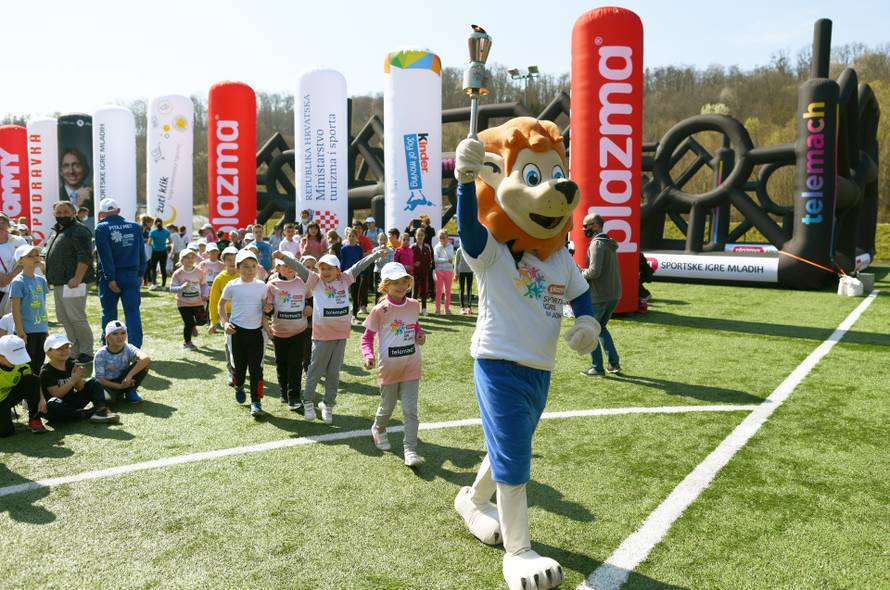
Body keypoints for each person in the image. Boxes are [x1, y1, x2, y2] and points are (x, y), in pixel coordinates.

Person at [273, 247, 381, 424]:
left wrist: (376, 254)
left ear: (338, 269)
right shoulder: (315, 281)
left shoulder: (345, 279)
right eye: (322, 268)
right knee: (315, 371)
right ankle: (308, 402)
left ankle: (328, 404)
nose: (325, 272)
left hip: (341, 335)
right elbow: (300, 268)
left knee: (333, 373)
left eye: (329, 268)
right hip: (322, 335)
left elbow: (360, 265)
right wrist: (283, 256)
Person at [361, 262, 426, 467]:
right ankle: (378, 428)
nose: (400, 286)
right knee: (387, 407)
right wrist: (367, 355)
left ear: (409, 283)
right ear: (385, 285)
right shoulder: (380, 310)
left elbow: (415, 326)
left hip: (411, 366)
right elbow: (366, 338)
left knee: (410, 410)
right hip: (388, 369)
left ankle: (410, 449)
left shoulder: (414, 305)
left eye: (403, 281)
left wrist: (419, 334)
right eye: (394, 282)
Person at [218, 249, 271, 417]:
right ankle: (239, 385)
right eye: (246, 266)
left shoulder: (262, 286)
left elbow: (264, 308)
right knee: (239, 369)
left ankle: (256, 402)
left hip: (256, 334)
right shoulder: (232, 285)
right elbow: (221, 305)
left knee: (257, 370)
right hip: (236, 333)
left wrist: (267, 320)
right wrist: (225, 323)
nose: (250, 270)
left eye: (253, 266)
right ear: (238, 268)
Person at [43, 201, 95, 363]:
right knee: (64, 318)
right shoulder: (57, 230)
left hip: (73, 282)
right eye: (59, 212)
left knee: (76, 317)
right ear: (54, 214)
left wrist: (78, 277)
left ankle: (87, 351)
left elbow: (84, 255)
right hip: (60, 282)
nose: (62, 215)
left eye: (66, 212)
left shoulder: (79, 230)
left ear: (74, 213)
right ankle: (74, 350)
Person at [94, 198, 147, 349]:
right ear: (118, 210)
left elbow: (105, 256)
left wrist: (110, 278)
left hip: (111, 276)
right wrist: (141, 272)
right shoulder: (135, 226)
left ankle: (108, 345)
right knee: (133, 313)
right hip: (131, 275)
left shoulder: (101, 228)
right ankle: (135, 347)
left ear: (102, 213)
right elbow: (141, 252)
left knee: (109, 312)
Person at [264, 252, 310, 411]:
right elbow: (267, 307)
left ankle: (294, 397)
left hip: (300, 331)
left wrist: (309, 306)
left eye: (292, 264)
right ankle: (284, 390)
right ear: (278, 268)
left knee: (296, 364)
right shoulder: (271, 285)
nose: (290, 268)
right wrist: (268, 309)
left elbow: (310, 297)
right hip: (279, 332)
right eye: (285, 265)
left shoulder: (303, 282)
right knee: (281, 364)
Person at [40, 334, 119, 425]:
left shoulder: (70, 363)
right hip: (58, 406)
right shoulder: (46, 371)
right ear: (48, 353)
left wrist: (79, 378)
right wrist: (73, 379)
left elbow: (80, 388)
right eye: (59, 349)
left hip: (72, 401)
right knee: (53, 405)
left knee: (93, 382)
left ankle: (101, 410)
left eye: (66, 347)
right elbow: (57, 394)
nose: (64, 351)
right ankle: (84, 414)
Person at [580, 213, 623, 377]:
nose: (584, 229)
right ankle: (613, 363)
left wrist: (580, 272)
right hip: (613, 295)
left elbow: (594, 272)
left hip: (599, 296)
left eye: (587, 225)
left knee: (591, 331)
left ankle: (597, 367)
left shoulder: (597, 244)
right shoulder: (609, 243)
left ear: (596, 225)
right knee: (601, 328)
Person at [9, 245, 49, 374]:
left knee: (39, 363)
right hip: (26, 332)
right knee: (26, 366)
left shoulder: (41, 281)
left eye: (37, 255)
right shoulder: (17, 282)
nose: (35, 258)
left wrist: (46, 328)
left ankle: (37, 392)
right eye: (30, 256)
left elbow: (43, 306)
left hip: (41, 329)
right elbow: (15, 309)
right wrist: (20, 332)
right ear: (21, 261)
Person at [93, 320, 151, 404]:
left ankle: (130, 391)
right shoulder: (100, 354)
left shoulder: (128, 347)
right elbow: (100, 380)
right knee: (108, 401)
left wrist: (128, 377)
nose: (120, 337)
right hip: (106, 385)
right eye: (115, 334)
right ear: (107, 338)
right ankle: (120, 392)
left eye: (123, 333)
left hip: (123, 379)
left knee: (144, 364)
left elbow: (145, 358)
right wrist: (119, 387)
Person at [0, 334, 46, 436]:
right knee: (5, 432)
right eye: (13, 358)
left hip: (9, 396)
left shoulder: (22, 364)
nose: (17, 361)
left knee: (32, 380)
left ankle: (34, 419)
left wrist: (42, 398)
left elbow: (33, 381)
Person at [208, 246, 240, 384]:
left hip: (243, 313)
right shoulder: (219, 278)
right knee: (229, 343)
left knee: (242, 343)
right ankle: (231, 370)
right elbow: (214, 301)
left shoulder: (243, 275)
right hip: (226, 315)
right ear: (224, 261)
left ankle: (241, 368)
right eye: (229, 259)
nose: (232, 262)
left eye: (234, 259)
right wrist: (213, 321)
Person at [170, 249, 207, 350]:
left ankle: (193, 326)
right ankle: (187, 342)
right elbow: (172, 288)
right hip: (183, 303)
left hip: (197, 302)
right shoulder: (177, 274)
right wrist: (181, 287)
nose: (190, 259)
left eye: (192, 257)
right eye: (187, 257)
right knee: (188, 323)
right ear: (182, 260)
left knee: (203, 321)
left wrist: (205, 294)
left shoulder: (199, 272)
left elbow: (204, 285)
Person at [59, 148, 93, 224]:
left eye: (76, 165)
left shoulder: (94, 196)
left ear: (84, 168)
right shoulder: (55, 195)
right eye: (66, 166)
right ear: (61, 171)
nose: (71, 171)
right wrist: (77, 205)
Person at [0, 213, 27, 306]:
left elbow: (26, 260)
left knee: (14, 317)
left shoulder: (19, 241)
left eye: (3, 222)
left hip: (16, 286)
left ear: (8, 225)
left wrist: (10, 277)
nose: (0, 225)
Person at [339, 228, 364, 323]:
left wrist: (360, 272)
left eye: (353, 236)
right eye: (349, 236)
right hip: (345, 274)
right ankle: (344, 313)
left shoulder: (359, 249)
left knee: (355, 294)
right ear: (347, 237)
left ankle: (354, 314)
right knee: (344, 294)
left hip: (356, 274)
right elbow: (342, 261)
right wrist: (341, 272)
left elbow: (361, 261)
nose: (351, 238)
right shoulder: (343, 249)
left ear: (356, 237)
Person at [411, 228, 433, 316]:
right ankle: (413, 310)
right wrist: (413, 264)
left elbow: (430, 260)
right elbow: (409, 260)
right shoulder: (412, 247)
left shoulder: (427, 247)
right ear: (415, 236)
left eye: (422, 235)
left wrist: (428, 266)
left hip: (424, 273)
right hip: (415, 273)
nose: (420, 237)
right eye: (418, 235)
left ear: (424, 236)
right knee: (414, 292)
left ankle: (424, 309)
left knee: (424, 291)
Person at [433, 230, 455, 315]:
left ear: (447, 237)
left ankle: (447, 309)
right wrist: (446, 260)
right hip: (439, 271)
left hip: (448, 271)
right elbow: (436, 259)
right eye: (440, 238)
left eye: (444, 237)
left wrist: (443, 258)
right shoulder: (436, 247)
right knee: (438, 292)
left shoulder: (451, 246)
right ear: (438, 238)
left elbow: (451, 257)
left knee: (448, 291)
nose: (442, 239)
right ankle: (437, 309)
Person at [148, 218, 172, 289]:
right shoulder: (166, 231)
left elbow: (149, 243)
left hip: (155, 252)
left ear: (155, 224)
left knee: (153, 268)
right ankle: (164, 286)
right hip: (163, 252)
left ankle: (154, 284)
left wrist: (154, 244)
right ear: (162, 223)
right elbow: (170, 241)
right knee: (163, 269)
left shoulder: (152, 232)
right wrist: (164, 243)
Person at [373, 232, 394, 304]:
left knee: (386, 291)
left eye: (385, 239)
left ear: (387, 240)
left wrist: (384, 256)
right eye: (381, 239)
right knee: (378, 291)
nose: (383, 241)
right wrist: (380, 254)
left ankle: (386, 307)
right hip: (377, 272)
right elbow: (376, 262)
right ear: (378, 240)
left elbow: (391, 262)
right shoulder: (375, 250)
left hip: (387, 274)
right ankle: (377, 308)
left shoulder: (390, 251)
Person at [454, 246, 475, 315]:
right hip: (461, 272)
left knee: (469, 289)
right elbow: (456, 263)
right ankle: (462, 308)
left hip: (470, 271)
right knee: (461, 289)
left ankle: (469, 307)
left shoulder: (471, 249)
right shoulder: (459, 250)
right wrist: (456, 274)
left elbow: (474, 260)